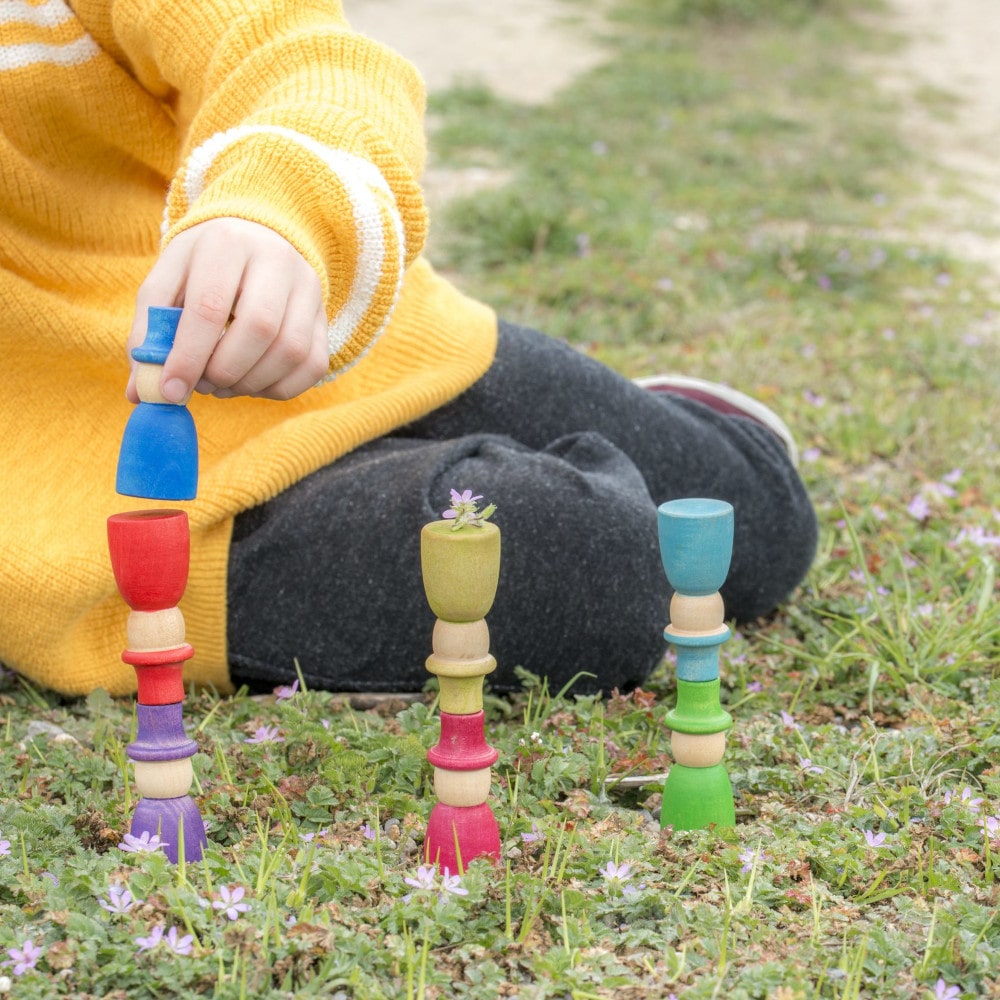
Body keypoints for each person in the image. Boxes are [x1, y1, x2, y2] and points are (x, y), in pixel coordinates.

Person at [0, 0, 817, 700]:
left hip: (363, 349)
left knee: (759, 523)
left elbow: (302, 56)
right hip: (111, 525)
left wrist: (271, 210)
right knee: (599, 566)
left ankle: (588, 425)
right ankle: (442, 476)